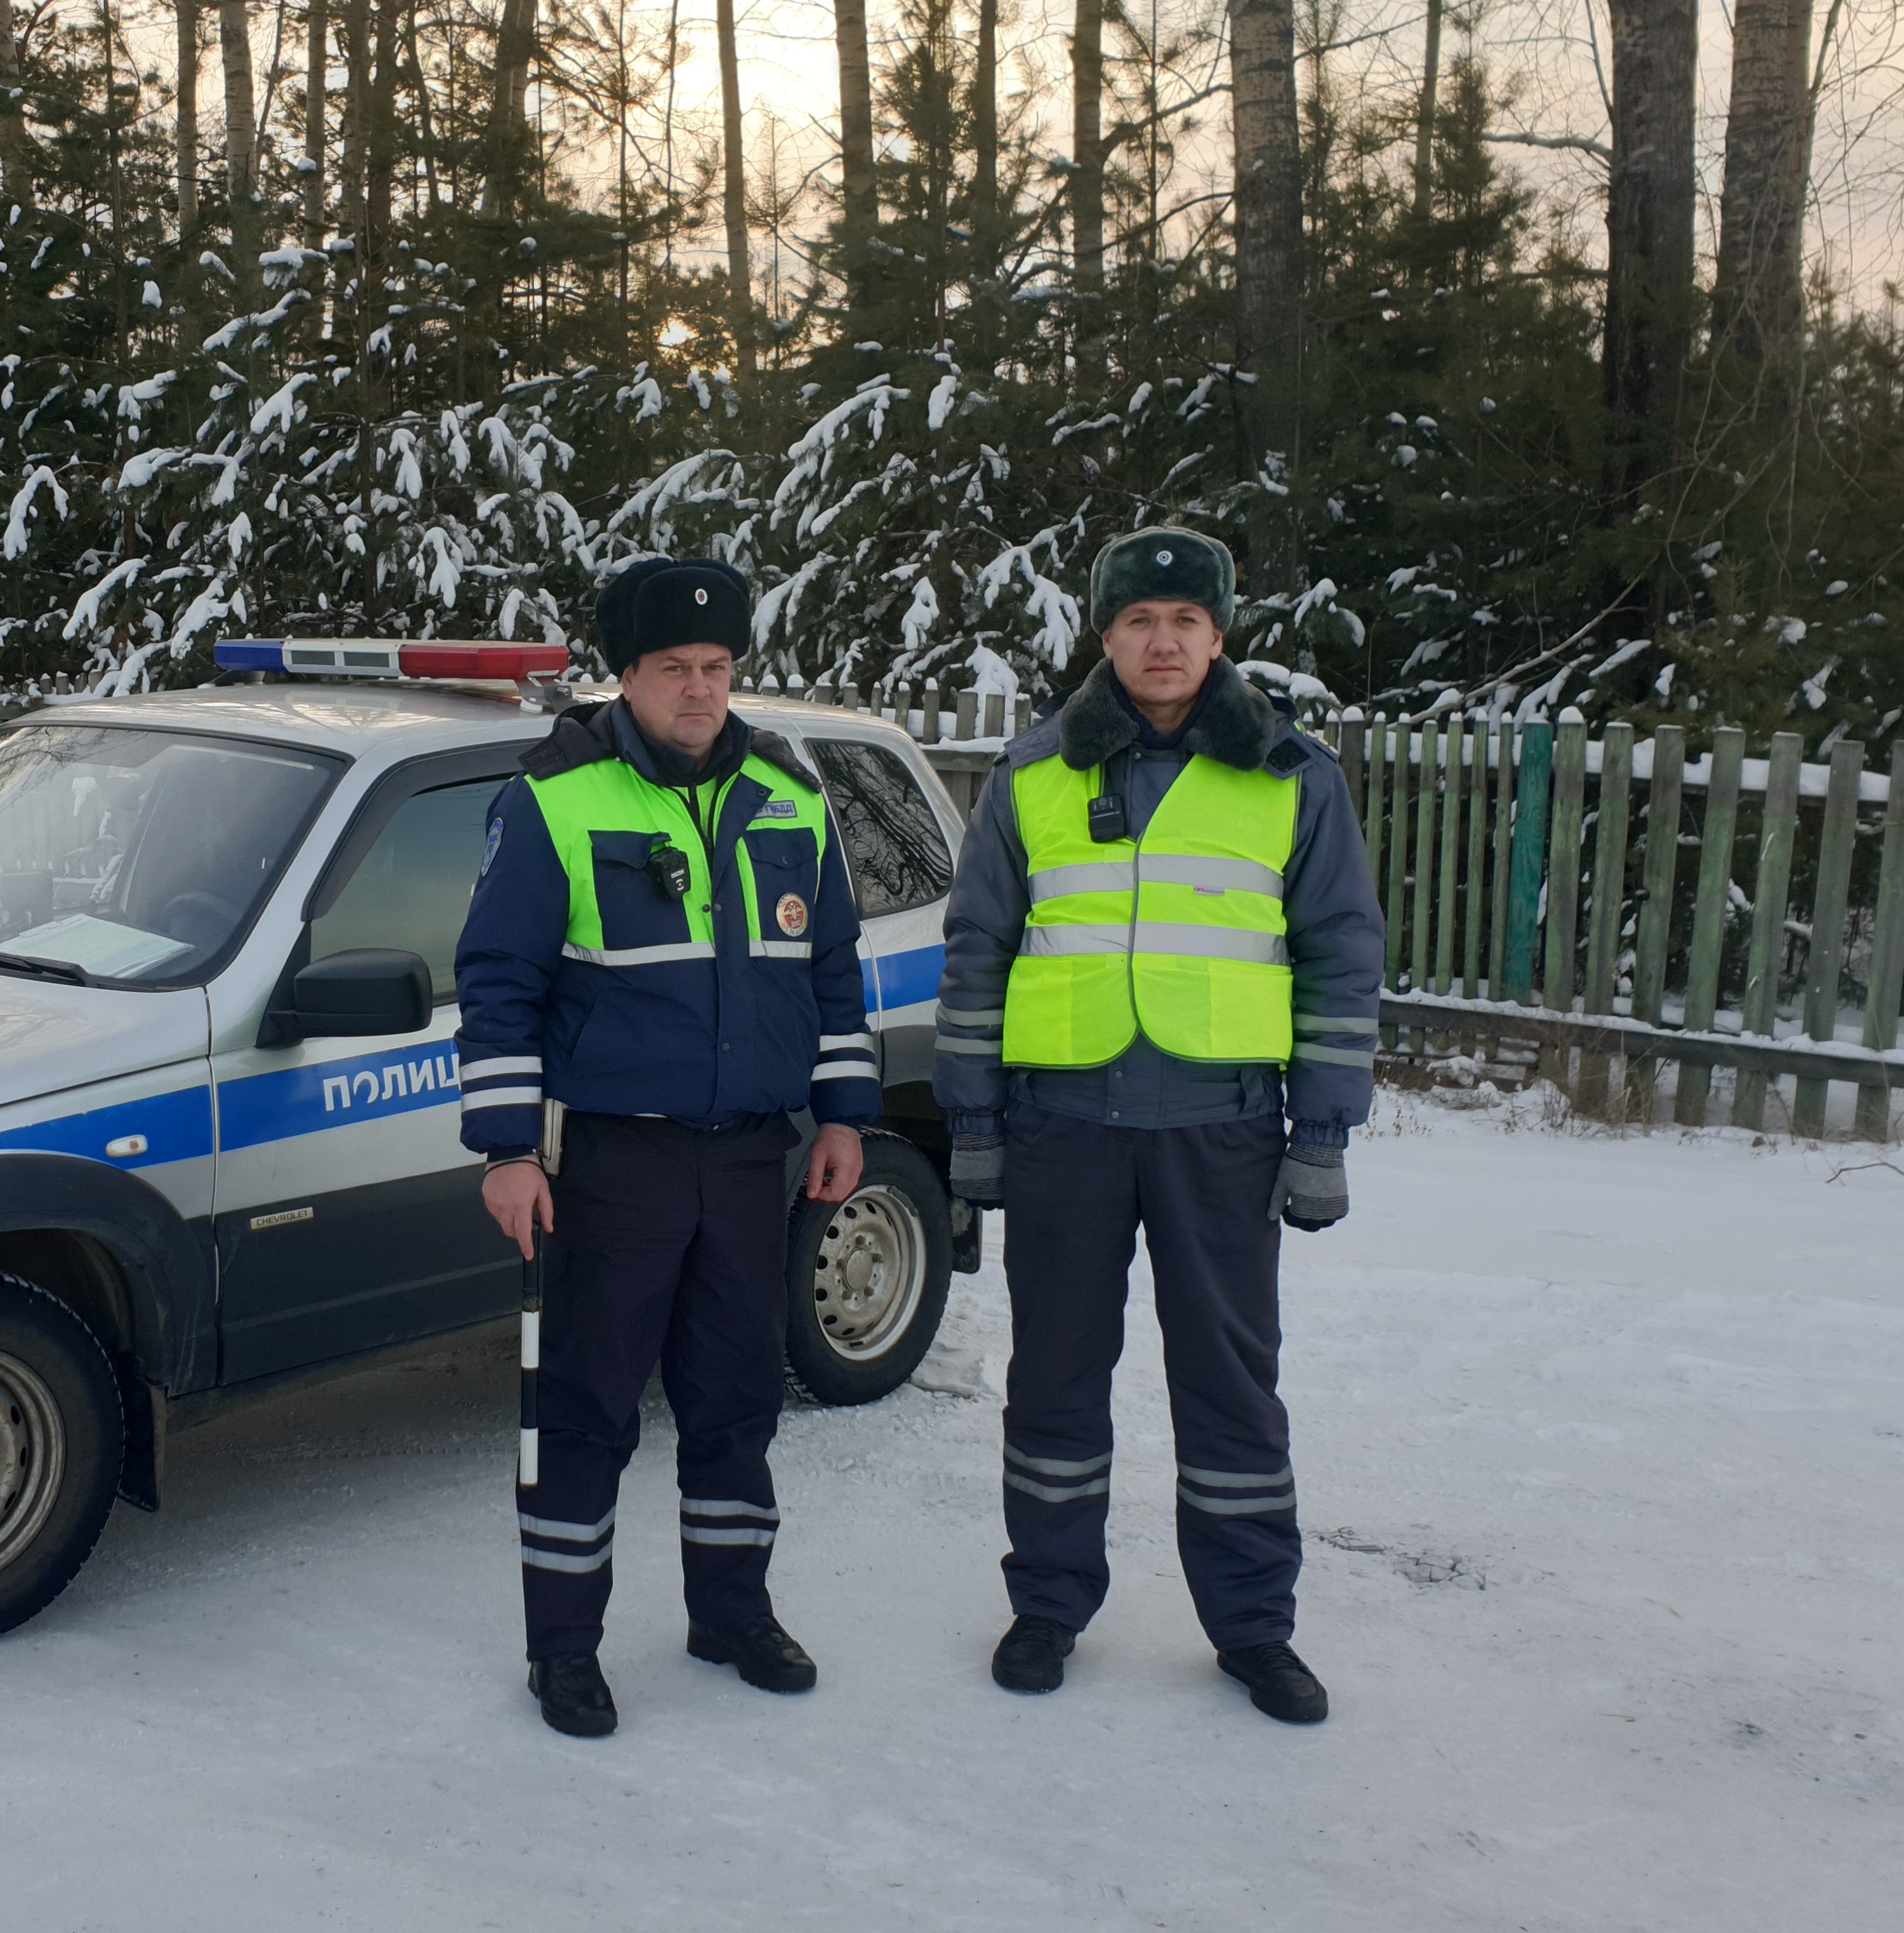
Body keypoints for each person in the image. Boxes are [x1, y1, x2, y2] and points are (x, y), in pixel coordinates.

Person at [935, 526, 1386, 1723]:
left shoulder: (1292, 776)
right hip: (1062, 1128)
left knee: (1233, 1388)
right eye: (1140, 620)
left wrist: (1324, 1134)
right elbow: (978, 951)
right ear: (1105, 635)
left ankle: (1253, 1629)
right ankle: (1047, 1602)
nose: (1164, 640)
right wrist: (970, 1121)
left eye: (1188, 619)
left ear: (1221, 635)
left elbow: (1342, 956)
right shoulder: (1035, 774)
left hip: (1220, 1130)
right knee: (1057, 1380)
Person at [454, 558, 883, 1738]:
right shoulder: (554, 802)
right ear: (626, 677)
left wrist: (843, 1114)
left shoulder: (790, 803)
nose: (698, 690)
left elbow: (837, 975)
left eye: (716, 668)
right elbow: (498, 987)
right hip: (615, 1163)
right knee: (587, 1407)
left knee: (737, 1398)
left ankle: (731, 1614)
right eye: (671, 670)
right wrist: (506, 1150)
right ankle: (564, 1650)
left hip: (753, 1156)